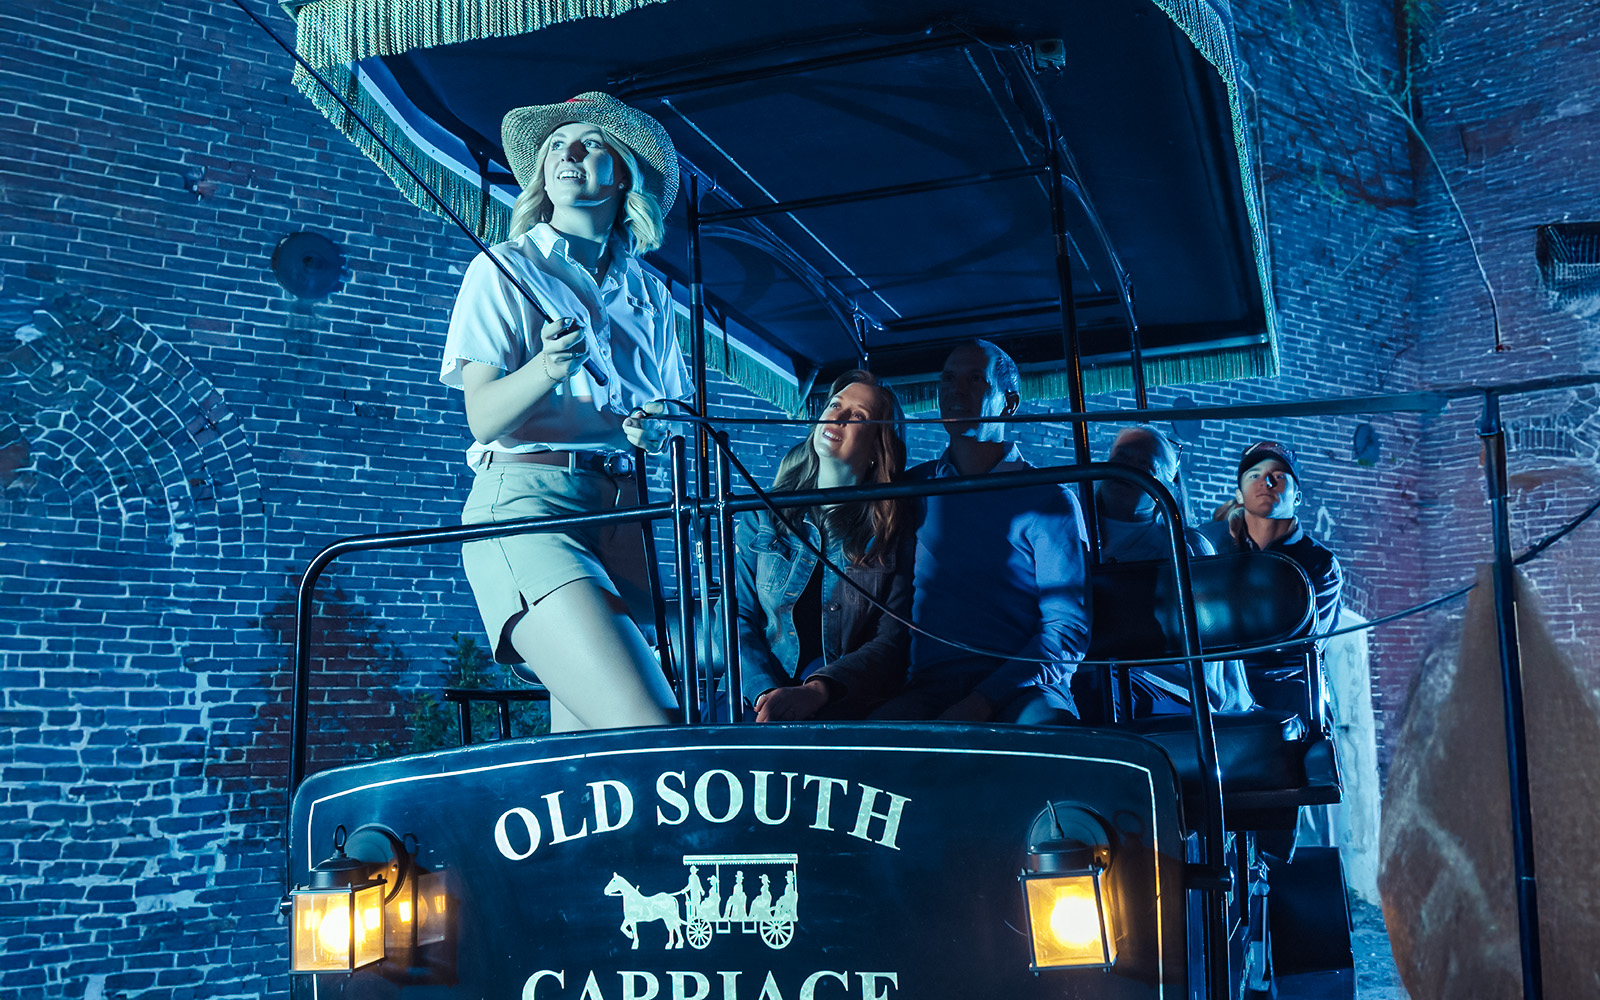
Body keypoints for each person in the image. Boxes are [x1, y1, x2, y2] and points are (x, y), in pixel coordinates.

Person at [440, 93, 688, 732]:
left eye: (591, 143)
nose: (567, 152)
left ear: (625, 175)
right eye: (555, 144)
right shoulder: (502, 268)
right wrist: (547, 369)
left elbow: (674, 412)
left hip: (626, 517)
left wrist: (657, 426)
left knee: (587, 759)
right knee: (650, 728)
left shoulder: (652, 294)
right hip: (529, 507)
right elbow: (482, 417)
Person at [873, 340, 1090, 724]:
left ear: (1010, 403)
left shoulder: (1049, 499)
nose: (956, 390)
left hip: (1025, 688)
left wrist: (982, 701)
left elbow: (1066, 629)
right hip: (930, 688)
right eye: (948, 379)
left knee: (1048, 739)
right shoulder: (912, 488)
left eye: (975, 379)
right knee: (865, 747)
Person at [732, 370, 914, 722]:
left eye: (857, 415)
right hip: (751, 695)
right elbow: (734, 615)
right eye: (834, 404)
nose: (837, 416)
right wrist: (764, 692)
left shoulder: (892, 530)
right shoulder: (762, 513)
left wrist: (819, 690)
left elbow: (891, 640)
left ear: (877, 447)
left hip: (842, 702)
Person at [1096, 425, 1256, 715]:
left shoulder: (1187, 547)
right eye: (1121, 458)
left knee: (1099, 696)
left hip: (1173, 686)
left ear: (1165, 484)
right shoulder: (1070, 532)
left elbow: (1206, 642)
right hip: (1094, 673)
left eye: (1145, 466)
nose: (1128, 470)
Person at [1201, 441, 1342, 717]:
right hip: (1212, 691)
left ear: (1297, 497)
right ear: (1240, 495)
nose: (1265, 482)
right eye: (1254, 475)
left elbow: (1301, 647)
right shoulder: (1210, 547)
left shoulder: (1320, 564)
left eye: (1278, 476)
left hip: (1284, 697)